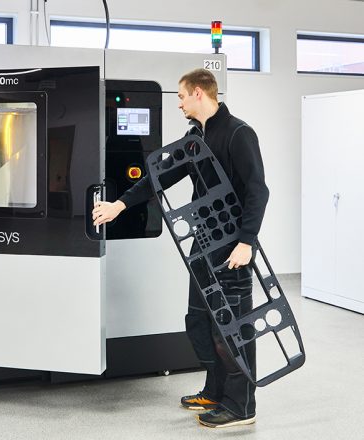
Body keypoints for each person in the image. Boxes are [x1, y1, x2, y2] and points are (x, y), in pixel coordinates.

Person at [92, 68, 269, 428]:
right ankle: (215, 390)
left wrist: (246, 242)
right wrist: (120, 205)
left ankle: (241, 406)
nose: (179, 103)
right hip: (203, 244)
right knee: (200, 321)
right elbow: (160, 177)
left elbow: (257, 191)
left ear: (199, 93)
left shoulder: (238, 133)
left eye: (182, 96)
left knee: (230, 328)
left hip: (232, 247)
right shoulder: (195, 138)